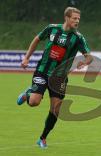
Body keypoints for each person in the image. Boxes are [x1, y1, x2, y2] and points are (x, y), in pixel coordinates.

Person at [16, 7, 92, 148]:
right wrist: (26, 58)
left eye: (78, 19)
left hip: (60, 78)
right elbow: (37, 39)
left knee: (55, 110)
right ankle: (29, 93)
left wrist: (84, 62)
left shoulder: (78, 38)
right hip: (43, 71)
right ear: (67, 18)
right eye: (74, 18)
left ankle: (43, 138)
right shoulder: (51, 29)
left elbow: (89, 56)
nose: (77, 21)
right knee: (34, 102)